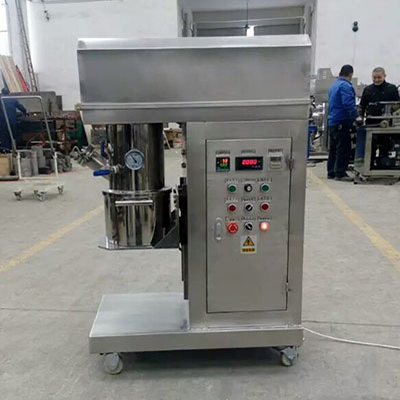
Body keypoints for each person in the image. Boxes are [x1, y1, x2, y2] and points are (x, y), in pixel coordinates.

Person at [327, 65, 359, 181]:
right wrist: (357, 117)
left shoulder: (334, 85)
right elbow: (348, 103)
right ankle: (340, 173)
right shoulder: (345, 86)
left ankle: (331, 172)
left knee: (333, 148)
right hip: (342, 121)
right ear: (350, 75)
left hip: (333, 121)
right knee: (343, 148)